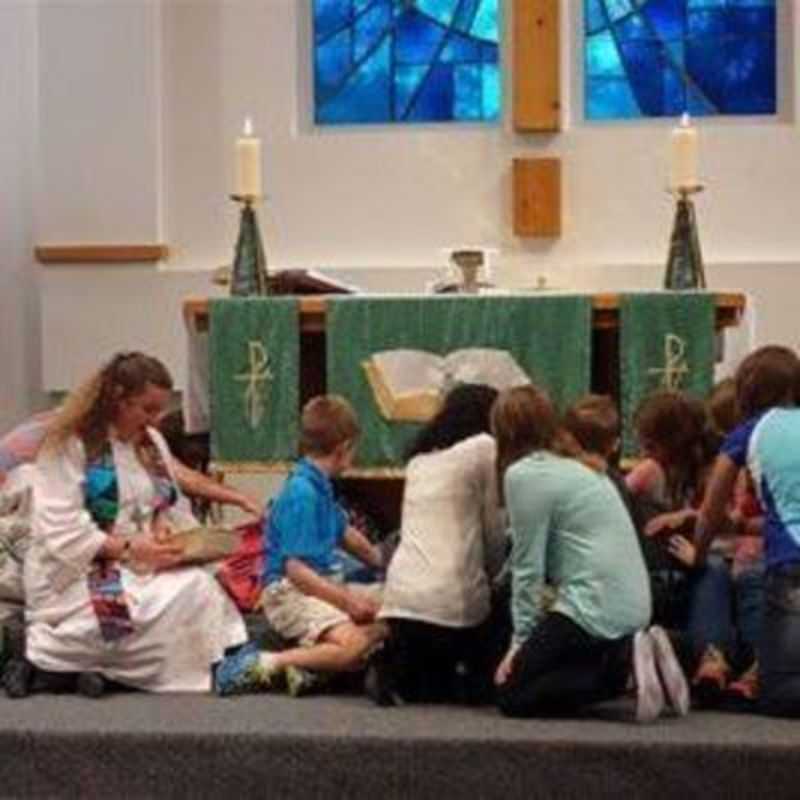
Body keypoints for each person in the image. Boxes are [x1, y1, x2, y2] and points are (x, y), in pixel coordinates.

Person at [7, 352, 248, 697]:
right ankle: (42, 654)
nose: (156, 419)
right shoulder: (71, 444)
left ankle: (95, 673)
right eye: (147, 409)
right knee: (123, 616)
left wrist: (170, 535)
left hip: (139, 562)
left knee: (200, 588)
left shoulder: (151, 442)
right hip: (77, 568)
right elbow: (61, 528)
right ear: (117, 398)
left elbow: (166, 504)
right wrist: (129, 548)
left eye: (160, 410)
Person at [491, 385, 688, 722]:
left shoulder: (524, 474)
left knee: (513, 693)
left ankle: (624, 668)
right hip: (634, 602)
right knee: (549, 666)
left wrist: (518, 643)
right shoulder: (580, 467)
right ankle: (636, 656)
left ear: (502, 431)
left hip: (593, 606)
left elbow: (528, 568)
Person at [214, 395, 386, 697]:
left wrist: (383, 562)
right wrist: (349, 603)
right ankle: (268, 662)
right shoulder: (302, 494)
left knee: (395, 617)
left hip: (317, 584)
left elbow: (346, 534)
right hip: (289, 592)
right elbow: (297, 572)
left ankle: (310, 664)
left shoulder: (320, 484)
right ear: (344, 448)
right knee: (355, 645)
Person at [367, 384, 508, 705]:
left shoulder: (419, 461)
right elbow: (493, 529)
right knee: (477, 677)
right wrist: (496, 576)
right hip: (451, 607)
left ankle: (395, 668)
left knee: (429, 685)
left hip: (401, 601)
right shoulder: (483, 448)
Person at [694, 345, 800, 717]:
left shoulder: (748, 433)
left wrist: (698, 549)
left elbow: (709, 510)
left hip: (791, 565)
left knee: (778, 689)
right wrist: (740, 524)